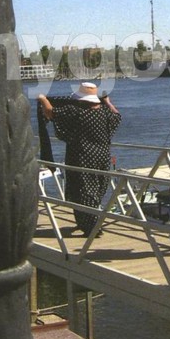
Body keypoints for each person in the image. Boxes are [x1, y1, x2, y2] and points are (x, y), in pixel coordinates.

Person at [38, 82, 121, 237]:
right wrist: (108, 102)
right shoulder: (105, 113)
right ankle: (90, 223)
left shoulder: (76, 112)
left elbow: (50, 112)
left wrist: (42, 98)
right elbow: (117, 115)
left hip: (81, 157)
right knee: (96, 190)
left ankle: (91, 228)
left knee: (83, 191)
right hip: (102, 157)